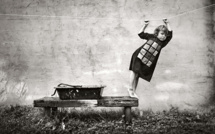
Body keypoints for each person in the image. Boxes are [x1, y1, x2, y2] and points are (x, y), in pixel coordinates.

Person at [128, 19, 173, 98]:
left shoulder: (163, 43)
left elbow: (170, 34)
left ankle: (133, 92)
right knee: (134, 71)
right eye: (162, 34)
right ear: (157, 33)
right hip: (138, 55)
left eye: (165, 35)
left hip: (146, 61)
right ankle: (130, 88)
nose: (163, 36)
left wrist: (167, 23)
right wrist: (145, 25)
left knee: (137, 75)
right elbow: (140, 34)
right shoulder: (151, 36)